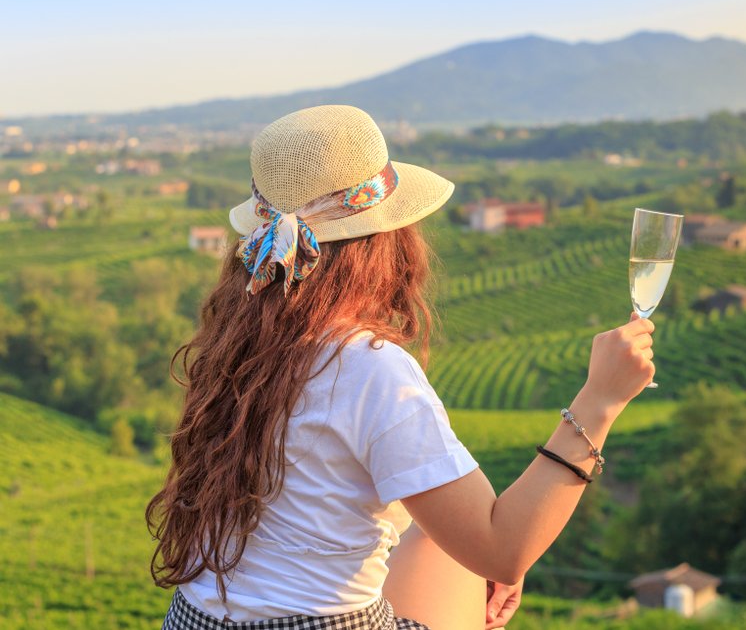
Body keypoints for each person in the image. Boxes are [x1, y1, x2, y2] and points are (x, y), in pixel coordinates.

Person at [146, 105, 656, 630]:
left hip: (193, 620)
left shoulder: (238, 349)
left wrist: (471, 542)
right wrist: (600, 400)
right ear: (384, 241)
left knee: (445, 541)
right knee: (472, 559)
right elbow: (505, 550)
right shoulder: (369, 369)